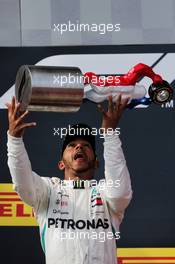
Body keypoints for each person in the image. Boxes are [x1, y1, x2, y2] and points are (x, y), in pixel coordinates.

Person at [6, 95, 132, 264]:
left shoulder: (105, 192)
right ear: (61, 164)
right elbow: (23, 185)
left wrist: (110, 135)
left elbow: (120, 194)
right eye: (71, 145)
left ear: (96, 162)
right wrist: (14, 141)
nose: (79, 146)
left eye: (86, 145)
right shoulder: (48, 191)